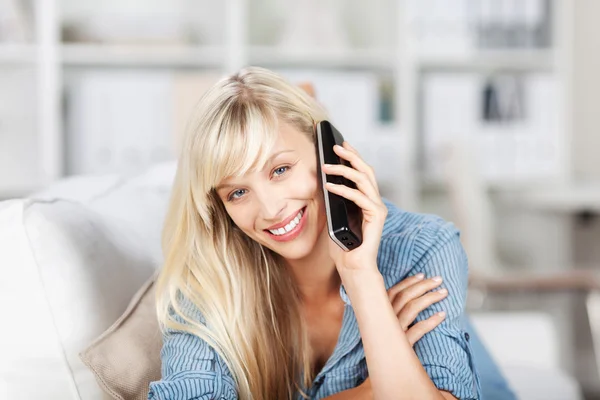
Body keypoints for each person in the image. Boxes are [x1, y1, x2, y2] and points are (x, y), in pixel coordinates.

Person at [148, 66, 514, 400]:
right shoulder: (209, 279)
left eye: (280, 170)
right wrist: (369, 393)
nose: (271, 209)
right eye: (238, 192)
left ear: (328, 156)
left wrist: (361, 277)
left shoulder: (421, 246)